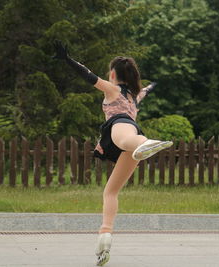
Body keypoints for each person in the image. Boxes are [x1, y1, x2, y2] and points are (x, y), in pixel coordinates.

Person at [53, 40, 173, 266]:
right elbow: (147, 90)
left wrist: (67, 60)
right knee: (110, 191)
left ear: (113, 74)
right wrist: (156, 83)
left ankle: (145, 143)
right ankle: (104, 236)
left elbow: (87, 75)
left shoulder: (112, 89)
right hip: (129, 140)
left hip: (119, 127)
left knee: (129, 140)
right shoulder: (134, 97)